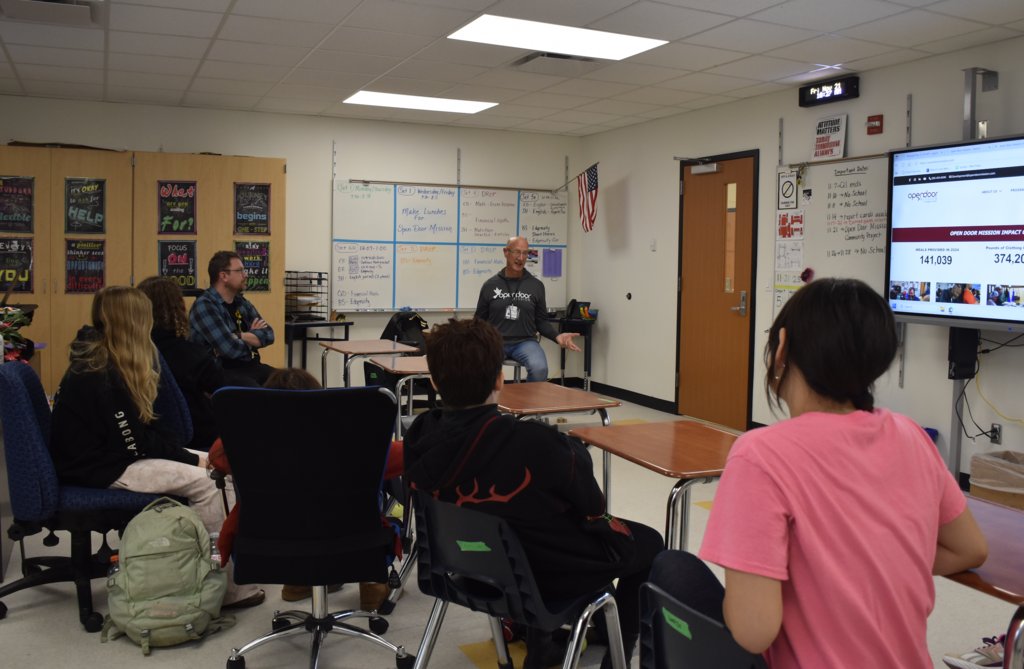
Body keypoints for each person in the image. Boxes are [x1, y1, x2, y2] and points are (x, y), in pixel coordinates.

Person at [650, 278, 987, 668]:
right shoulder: (910, 435)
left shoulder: (761, 455)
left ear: (782, 349)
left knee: (670, 567)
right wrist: (870, 567)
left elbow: (754, 629)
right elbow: (970, 548)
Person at [404, 318, 663, 669]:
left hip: (463, 568)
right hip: (542, 577)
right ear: (500, 378)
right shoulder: (536, 443)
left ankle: (555, 639)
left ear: (433, 381)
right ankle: (617, 655)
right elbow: (592, 506)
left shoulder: (420, 435)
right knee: (649, 542)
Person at [49, 286, 265, 608]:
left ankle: (237, 564)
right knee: (210, 481)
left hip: (115, 455)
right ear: (135, 321)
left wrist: (191, 456)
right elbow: (134, 444)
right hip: (99, 467)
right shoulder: (99, 373)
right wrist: (192, 462)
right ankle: (226, 588)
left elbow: (144, 431)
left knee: (226, 464)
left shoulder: (106, 358)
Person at [208, 367, 402, 607]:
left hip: (268, 550)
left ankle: (298, 583)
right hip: (351, 547)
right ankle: (371, 584)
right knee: (375, 482)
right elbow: (406, 457)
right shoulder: (353, 443)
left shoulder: (245, 447)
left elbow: (215, 454)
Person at [474, 236, 580, 382]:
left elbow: (541, 321)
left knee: (540, 369)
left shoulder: (536, 286)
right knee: (481, 370)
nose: (521, 258)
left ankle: (527, 403)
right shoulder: (490, 285)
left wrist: (557, 337)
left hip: (525, 342)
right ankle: (490, 404)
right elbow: (478, 321)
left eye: (525, 253)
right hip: (495, 342)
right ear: (506, 252)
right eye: (517, 252)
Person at [137, 276, 224, 451]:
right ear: (176, 308)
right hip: (198, 438)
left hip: (148, 435)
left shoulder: (131, 353)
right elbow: (222, 393)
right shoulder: (192, 355)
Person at [189, 250, 275, 386]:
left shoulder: (241, 302)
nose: (245, 275)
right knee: (254, 390)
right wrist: (252, 340)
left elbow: (269, 334)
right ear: (224, 276)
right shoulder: (204, 305)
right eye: (240, 271)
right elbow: (230, 349)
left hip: (250, 367)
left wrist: (239, 336)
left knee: (290, 380)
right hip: (221, 372)